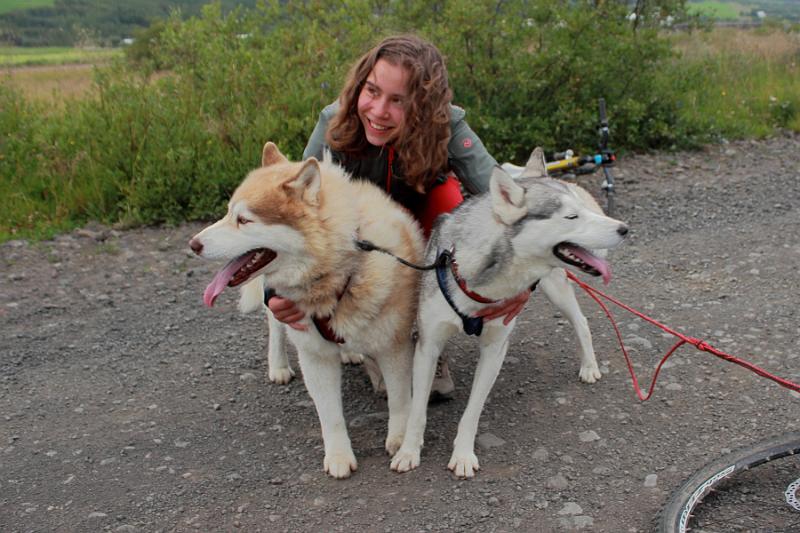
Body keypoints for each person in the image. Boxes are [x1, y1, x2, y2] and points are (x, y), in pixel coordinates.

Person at [267, 34, 532, 398]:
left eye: (398, 101)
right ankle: (374, 342)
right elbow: (291, 210)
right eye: (372, 91)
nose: (378, 111)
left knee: (450, 196)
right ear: (360, 84)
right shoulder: (334, 121)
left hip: (420, 225)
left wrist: (524, 283)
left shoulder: (449, 127)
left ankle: (427, 341)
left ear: (423, 106)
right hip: (361, 231)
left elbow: (507, 204)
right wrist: (273, 293)